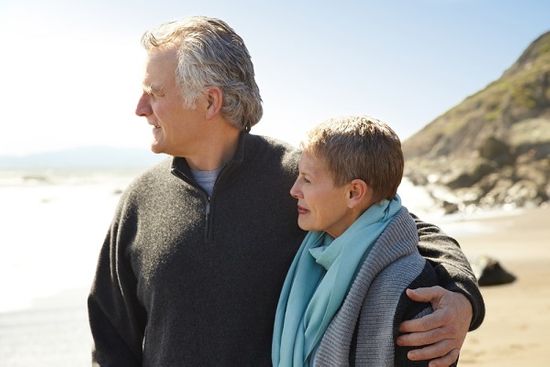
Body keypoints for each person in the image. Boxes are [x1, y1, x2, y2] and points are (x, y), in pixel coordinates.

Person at [88, 16, 484, 367]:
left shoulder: (301, 179)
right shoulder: (140, 199)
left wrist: (463, 297)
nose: (141, 107)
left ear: (210, 101)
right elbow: (111, 337)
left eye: (156, 92)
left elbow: (402, 228)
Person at [273, 116, 448, 366]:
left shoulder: (412, 287)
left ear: (354, 193)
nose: (294, 190)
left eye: (307, 179)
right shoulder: (315, 255)